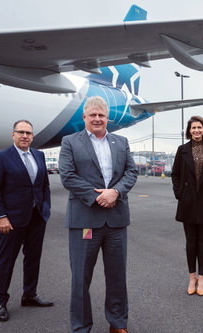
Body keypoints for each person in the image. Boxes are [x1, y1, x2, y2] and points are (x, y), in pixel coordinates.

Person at [59, 96, 137, 333]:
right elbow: (67, 175)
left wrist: (116, 192)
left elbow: (131, 172)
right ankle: (82, 326)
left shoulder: (121, 142)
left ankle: (117, 323)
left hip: (115, 221)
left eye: (101, 115)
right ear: (84, 117)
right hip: (85, 220)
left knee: (117, 277)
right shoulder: (70, 142)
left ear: (107, 119)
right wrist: (97, 197)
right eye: (92, 115)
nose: (97, 119)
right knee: (81, 279)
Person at [0, 120, 53, 322]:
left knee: (33, 258)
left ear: (33, 136)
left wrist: (45, 208)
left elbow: (44, 185)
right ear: (13, 135)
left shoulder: (39, 155)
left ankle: (30, 295)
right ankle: (1, 302)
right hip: (11, 220)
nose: (25, 136)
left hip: (36, 217)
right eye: (21, 132)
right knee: (6, 260)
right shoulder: (1, 157)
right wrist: (1, 217)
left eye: (28, 133)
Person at [171, 116, 203, 296]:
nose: (196, 131)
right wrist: (179, 193)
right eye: (193, 128)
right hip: (187, 201)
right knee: (190, 240)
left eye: (199, 128)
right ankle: (192, 277)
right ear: (189, 131)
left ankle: (202, 278)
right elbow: (175, 174)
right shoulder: (182, 150)